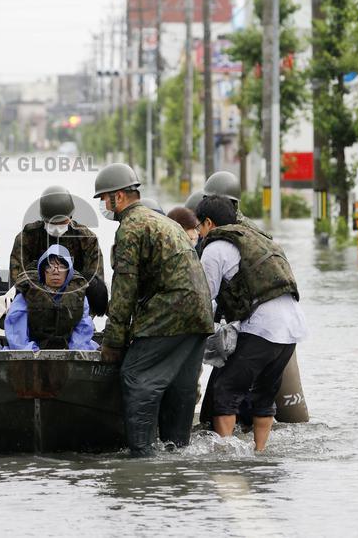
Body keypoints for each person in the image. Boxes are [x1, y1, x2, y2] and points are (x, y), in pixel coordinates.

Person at [93, 163, 213, 457]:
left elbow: (124, 290)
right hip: (199, 312)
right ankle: (177, 452)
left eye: (104, 199)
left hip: (171, 309)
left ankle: (142, 457)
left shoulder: (131, 227)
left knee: (136, 375)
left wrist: (112, 342)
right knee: (180, 386)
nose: (103, 206)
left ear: (118, 197)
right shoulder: (162, 222)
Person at [195, 195, 309, 451]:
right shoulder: (259, 240)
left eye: (199, 226)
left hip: (262, 328)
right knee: (264, 394)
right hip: (291, 329)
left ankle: (226, 452)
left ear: (209, 223)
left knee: (225, 389)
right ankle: (260, 452)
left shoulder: (215, 248)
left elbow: (204, 296)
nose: (198, 233)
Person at [9, 185, 108, 317]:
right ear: (43, 218)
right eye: (52, 223)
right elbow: (17, 281)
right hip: (35, 305)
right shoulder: (27, 237)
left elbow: (96, 287)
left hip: (76, 306)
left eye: (62, 222)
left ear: (70, 217)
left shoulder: (86, 239)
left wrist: (82, 317)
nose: (56, 228)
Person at [5, 245, 98, 351]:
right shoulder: (27, 294)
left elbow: (83, 328)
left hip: (68, 351)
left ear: (69, 272)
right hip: (32, 351)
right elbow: (16, 331)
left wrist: (73, 353)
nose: (56, 271)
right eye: (50, 266)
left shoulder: (79, 297)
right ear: (42, 270)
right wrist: (31, 353)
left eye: (62, 266)